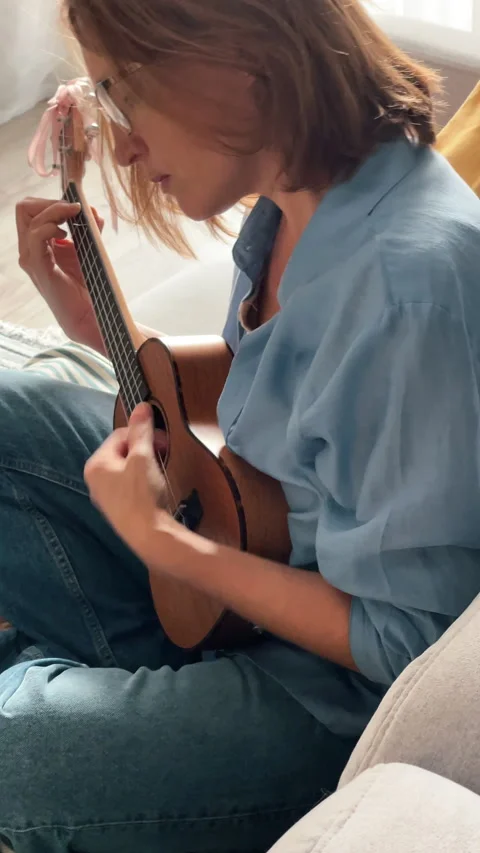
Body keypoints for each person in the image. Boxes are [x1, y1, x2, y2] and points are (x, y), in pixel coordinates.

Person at [1, 0, 480, 850]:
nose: (123, 141)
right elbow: (283, 405)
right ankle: (104, 674)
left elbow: (409, 639)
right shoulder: (293, 206)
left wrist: (169, 549)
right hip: (240, 557)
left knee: (16, 751)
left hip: (326, 698)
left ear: (236, 58)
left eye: (124, 94)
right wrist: (99, 331)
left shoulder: (412, 287)